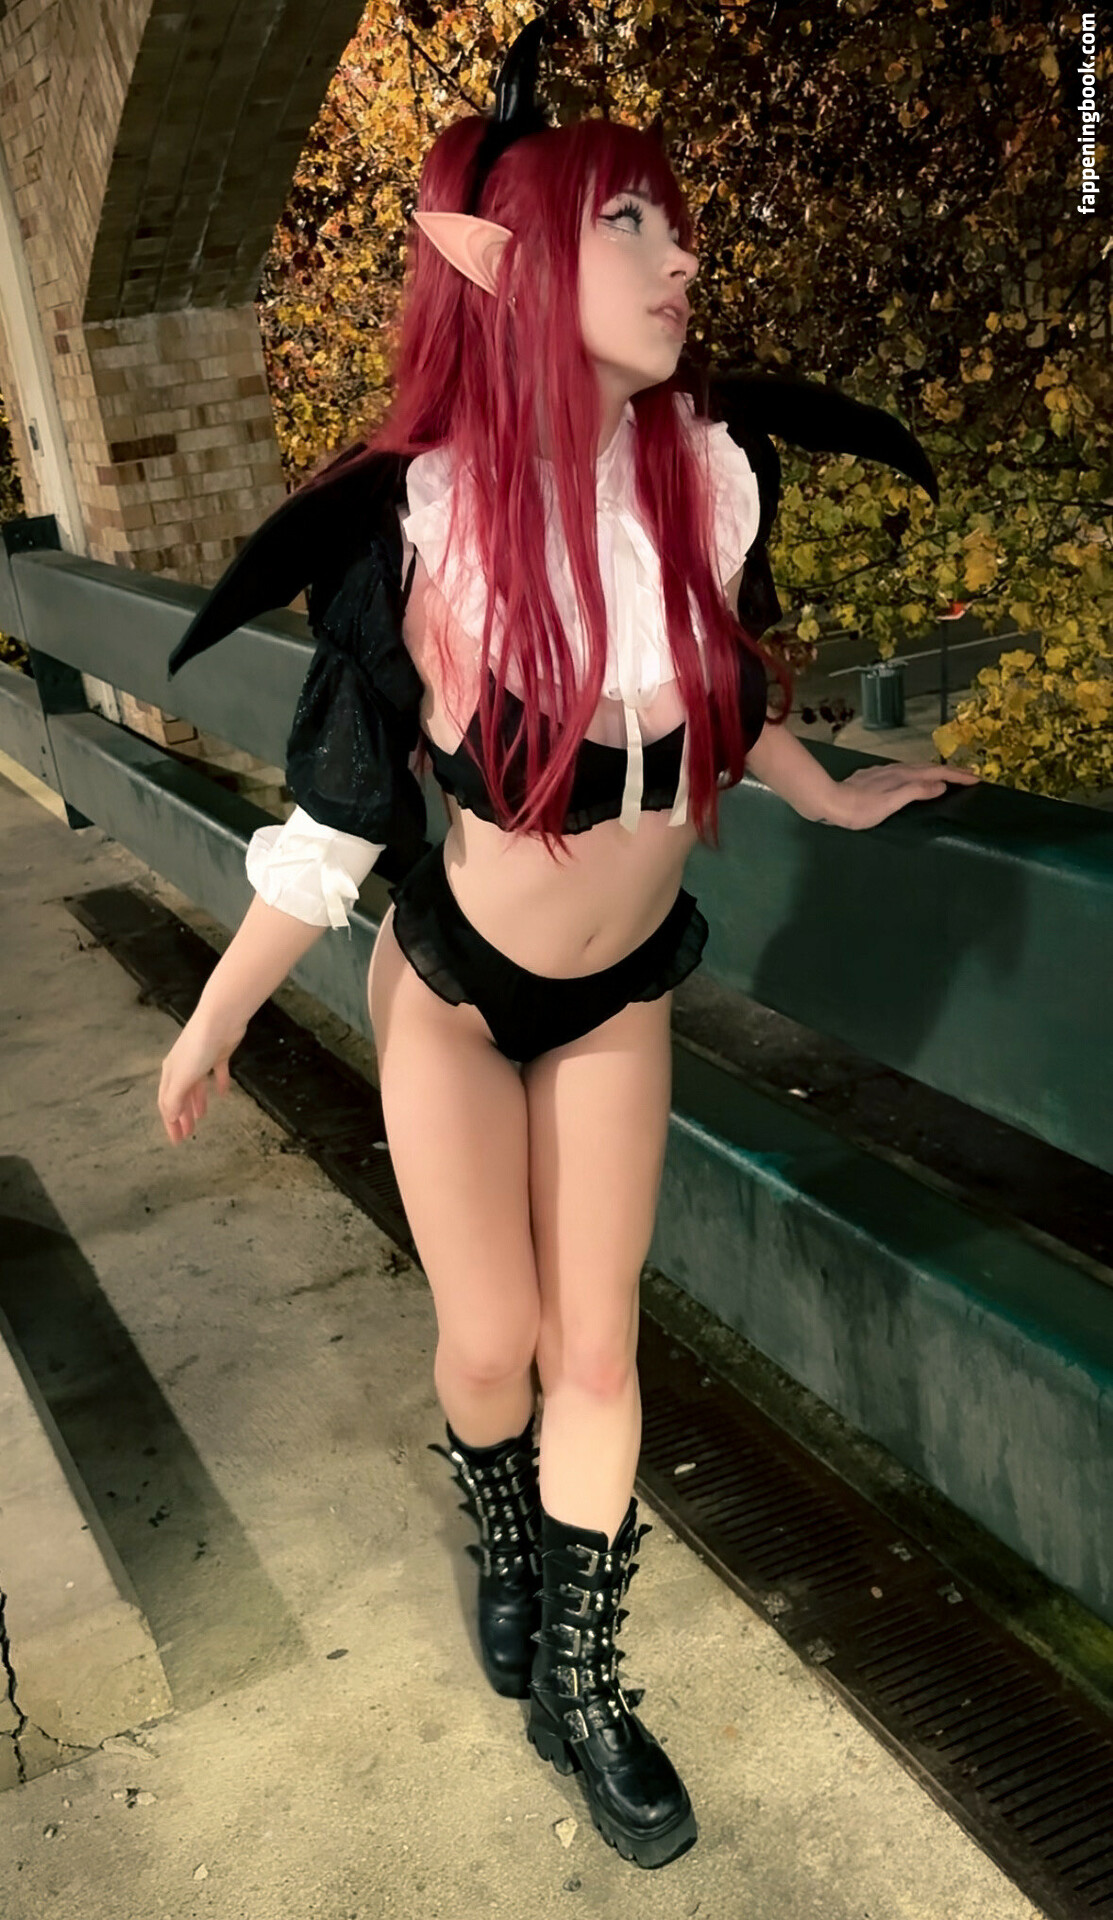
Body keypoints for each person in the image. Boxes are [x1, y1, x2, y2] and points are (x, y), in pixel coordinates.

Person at [157, 16, 979, 1872]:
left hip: (615, 993)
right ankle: (501, 1526)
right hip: (455, 993)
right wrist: (211, 1027)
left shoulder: (708, 470)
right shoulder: (421, 525)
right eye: (630, 223)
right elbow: (331, 829)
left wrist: (828, 792)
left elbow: (710, 700)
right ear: (504, 264)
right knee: (495, 1347)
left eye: (675, 224)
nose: (680, 257)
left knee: (597, 1356)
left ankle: (586, 1690)